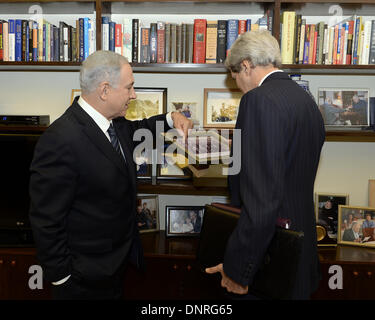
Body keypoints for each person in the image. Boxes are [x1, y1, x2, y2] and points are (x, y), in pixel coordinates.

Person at [29, 50, 193, 300]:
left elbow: (141, 128)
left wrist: (173, 117)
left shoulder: (114, 124)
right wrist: (63, 278)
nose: (134, 95)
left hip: (114, 268)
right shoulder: (61, 138)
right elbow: (46, 219)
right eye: (129, 88)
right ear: (104, 90)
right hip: (82, 279)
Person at [205, 31, 325, 299]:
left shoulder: (258, 100)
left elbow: (262, 200)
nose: (236, 84)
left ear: (246, 65)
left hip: (269, 256)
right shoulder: (306, 100)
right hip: (301, 251)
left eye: (234, 75)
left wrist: (238, 271)